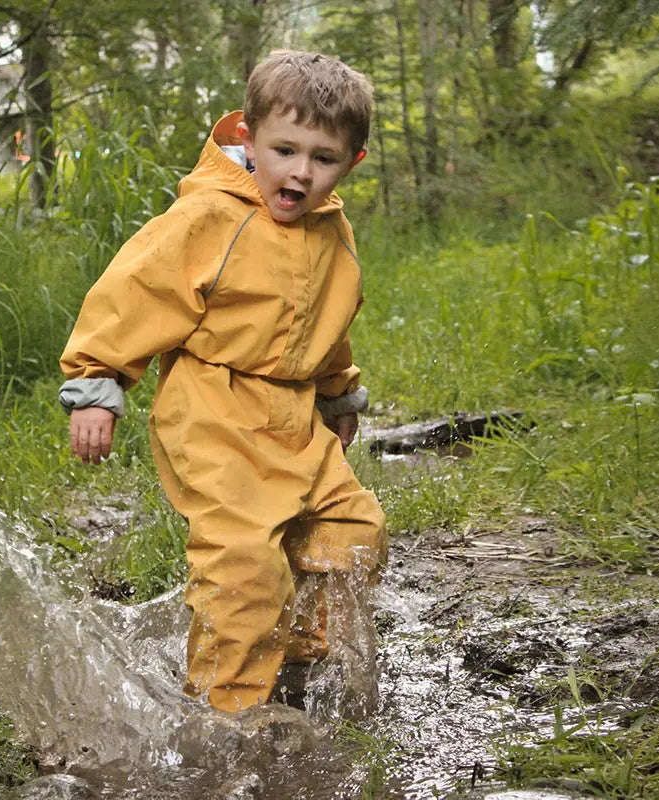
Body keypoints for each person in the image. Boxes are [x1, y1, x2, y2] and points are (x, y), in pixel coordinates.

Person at [58, 50, 387, 713]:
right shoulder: (208, 218)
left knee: (355, 530)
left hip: (293, 416)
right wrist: (98, 382)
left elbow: (330, 315)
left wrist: (337, 391)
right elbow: (135, 293)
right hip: (213, 411)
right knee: (243, 567)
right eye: (284, 150)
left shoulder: (333, 232)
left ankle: (294, 657)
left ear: (350, 164)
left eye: (322, 158)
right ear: (248, 139)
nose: (300, 171)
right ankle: (225, 715)